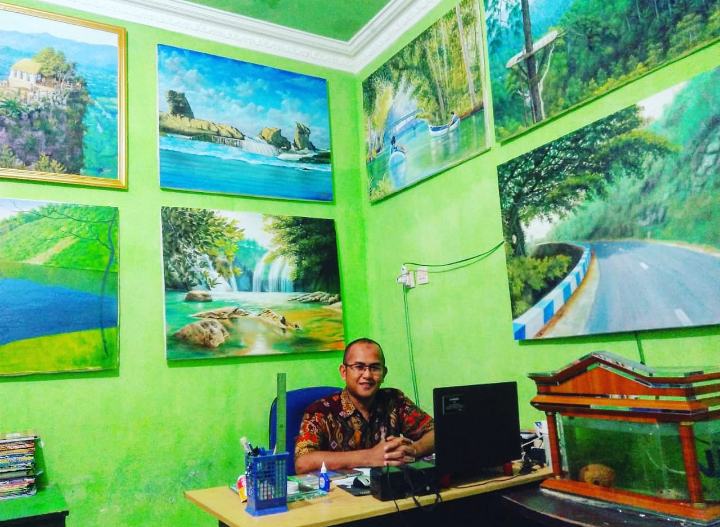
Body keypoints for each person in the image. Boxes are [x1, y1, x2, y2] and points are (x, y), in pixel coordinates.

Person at [295, 338, 434, 474]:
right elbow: (303, 463)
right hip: (338, 489)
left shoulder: (394, 400)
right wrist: (369, 457)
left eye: (375, 368)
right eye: (359, 367)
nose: (367, 375)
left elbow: (437, 432)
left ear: (384, 373)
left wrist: (414, 449)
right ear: (344, 372)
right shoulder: (320, 411)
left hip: (389, 486)